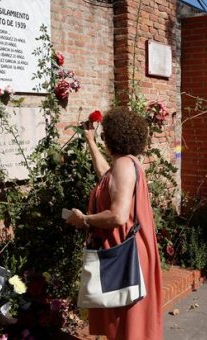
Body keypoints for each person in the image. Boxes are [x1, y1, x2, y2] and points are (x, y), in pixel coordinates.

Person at [65, 107, 163, 340]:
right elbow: (106, 176)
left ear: (113, 136)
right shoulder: (127, 164)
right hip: (132, 248)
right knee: (128, 317)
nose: (103, 137)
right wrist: (90, 140)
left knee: (125, 319)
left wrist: (84, 219)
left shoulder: (123, 166)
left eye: (103, 134)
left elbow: (118, 216)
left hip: (124, 251)